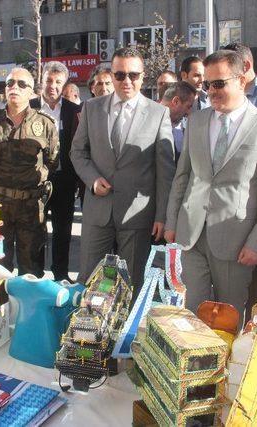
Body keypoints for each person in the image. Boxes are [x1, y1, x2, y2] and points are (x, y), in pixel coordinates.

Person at [164, 50, 257, 319]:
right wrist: (172, 221)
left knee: (227, 320)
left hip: (236, 242)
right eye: (206, 85)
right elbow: (183, 176)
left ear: (241, 81)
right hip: (190, 234)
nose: (210, 92)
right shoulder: (196, 120)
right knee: (191, 314)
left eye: (218, 84)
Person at [70, 47, 174, 298]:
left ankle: (123, 336)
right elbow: (77, 152)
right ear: (111, 75)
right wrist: (93, 179)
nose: (127, 81)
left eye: (133, 75)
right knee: (91, 281)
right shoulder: (92, 108)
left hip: (137, 215)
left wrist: (162, 216)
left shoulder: (159, 113)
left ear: (143, 76)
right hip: (98, 211)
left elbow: (165, 170)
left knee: (131, 285)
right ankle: (88, 335)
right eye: (120, 75)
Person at [0, 68, 59, 277]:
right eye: (10, 83)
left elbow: (51, 161)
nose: (14, 87)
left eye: (22, 84)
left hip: (30, 207)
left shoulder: (45, 124)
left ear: (32, 92)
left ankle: (29, 309)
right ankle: (0, 308)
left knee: (31, 268)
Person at [30, 61, 82, 281]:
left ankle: (60, 273)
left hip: (64, 181)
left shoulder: (74, 110)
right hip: (35, 181)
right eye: (49, 80)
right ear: (42, 82)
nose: (53, 86)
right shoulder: (29, 106)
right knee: (36, 230)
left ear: (64, 84)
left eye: (58, 82)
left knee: (63, 231)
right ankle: (35, 273)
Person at [159, 81, 196, 162]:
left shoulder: (184, 129)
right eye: (188, 107)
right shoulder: (148, 125)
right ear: (176, 101)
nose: (188, 113)